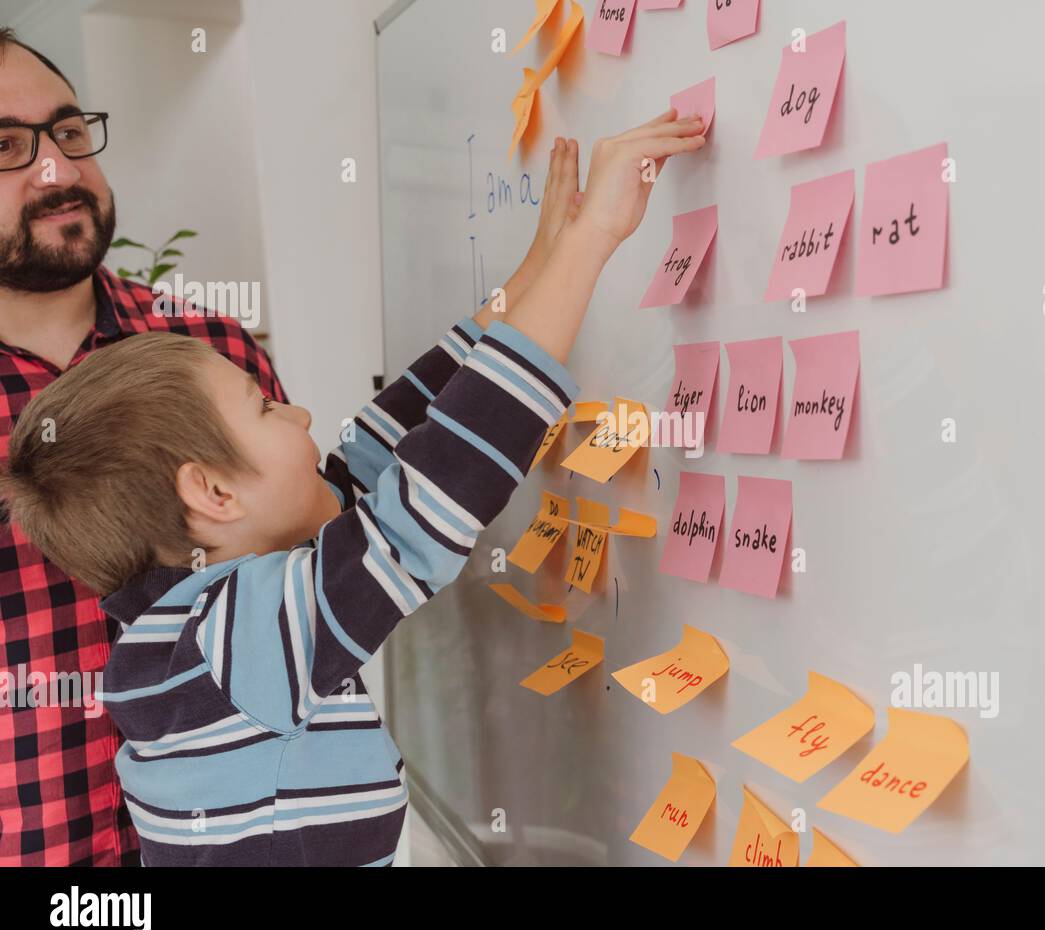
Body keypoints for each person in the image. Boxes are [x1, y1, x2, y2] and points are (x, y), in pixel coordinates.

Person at [1, 108, 706, 865]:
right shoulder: (235, 641)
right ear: (212, 494)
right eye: (265, 406)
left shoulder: (182, 629)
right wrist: (590, 240)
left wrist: (531, 276)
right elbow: (429, 495)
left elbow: (376, 455)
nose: (299, 410)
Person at [0, 27, 285, 866]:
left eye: (69, 132)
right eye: (8, 148)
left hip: (244, 835)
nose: (58, 171)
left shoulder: (212, 351)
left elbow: (307, 586)